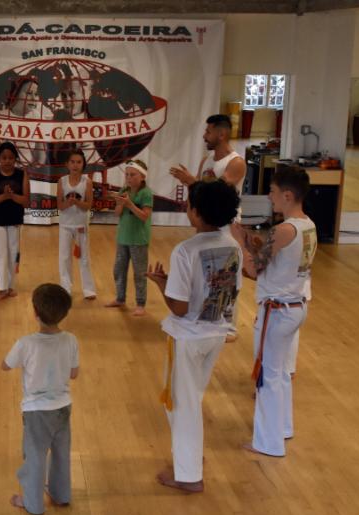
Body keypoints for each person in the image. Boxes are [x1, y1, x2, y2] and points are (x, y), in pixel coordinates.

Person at [146, 180, 242, 493]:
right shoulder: (231, 245)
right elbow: (228, 290)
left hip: (188, 337)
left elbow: (179, 307)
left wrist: (161, 285)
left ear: (195, 212)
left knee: (181, 403)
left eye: (189, 205)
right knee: (191, 397)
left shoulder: (185, 250)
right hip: (215, 333)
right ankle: (190, 455)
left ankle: (189, 475)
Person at [231, 166, 317, 457]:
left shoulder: (282, 230)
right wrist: (253, 243)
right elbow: (275, 261)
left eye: (273, 191)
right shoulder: (308, 225)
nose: (270, 196)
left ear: (288, 195)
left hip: (277, 310)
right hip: (295, 305)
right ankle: (282, 427)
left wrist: (241, 244)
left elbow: (255, 270)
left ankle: (267, 442)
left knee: (267, 375)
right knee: (279, 373)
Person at [2, 283, 79, 515]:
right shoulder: (71, 340)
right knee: (61, 452)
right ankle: (61, 494)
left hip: (36, 411)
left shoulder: (26, 343)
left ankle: (32, 503)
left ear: (35, 312)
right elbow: (74, 373)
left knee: (35, 456)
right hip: (63, 407)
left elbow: (5, 365)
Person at [170, 114, 247, 342]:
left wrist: (191, 182)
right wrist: (192, 183)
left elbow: (218, 194)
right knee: (207, 272)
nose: (205, 135)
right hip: (207, 221)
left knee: (227, 275)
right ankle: (205, 315)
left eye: (208, 131)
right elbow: (203, 191)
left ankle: (229, 325)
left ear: (221, 134)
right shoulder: (207, 161)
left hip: (227, 224)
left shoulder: (236, 162)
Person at [0, 142, 30, 301]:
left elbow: (26, 201)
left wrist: (12, 196)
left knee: (13, 254)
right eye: (4, 157)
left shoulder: (22, 175)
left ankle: (11, 286)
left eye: (11, 158)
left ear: (15, 159)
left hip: (15, 220)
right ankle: (2, 288)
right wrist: (4, 196)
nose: (7, 161)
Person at [106, 159, 153, 316]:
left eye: (133, 174)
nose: (129, 177)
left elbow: (145, 216)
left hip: (139, 239)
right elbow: (117, 214)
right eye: (127, 174)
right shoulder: (124, 190)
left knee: (139, 273)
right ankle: (120, 298)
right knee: (118, 270)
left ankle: (141, 303)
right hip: (123, 238)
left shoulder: (146, 193)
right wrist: (119, 203)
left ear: (142, 177)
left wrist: (129, 204)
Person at [57, 150, 96, 300]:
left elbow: (87, 206)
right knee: (65, 257)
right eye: (72, 162)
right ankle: (65, 288)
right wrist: (69, 203)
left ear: (83, 164)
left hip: (81, 226)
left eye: (78, 162)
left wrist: (77, 202)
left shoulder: (87, 182)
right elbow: (60, 205)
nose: (75, 165)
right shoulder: (62, 181)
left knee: (84, 258)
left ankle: (88, 289)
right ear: (67, 164)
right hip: (65, 225)